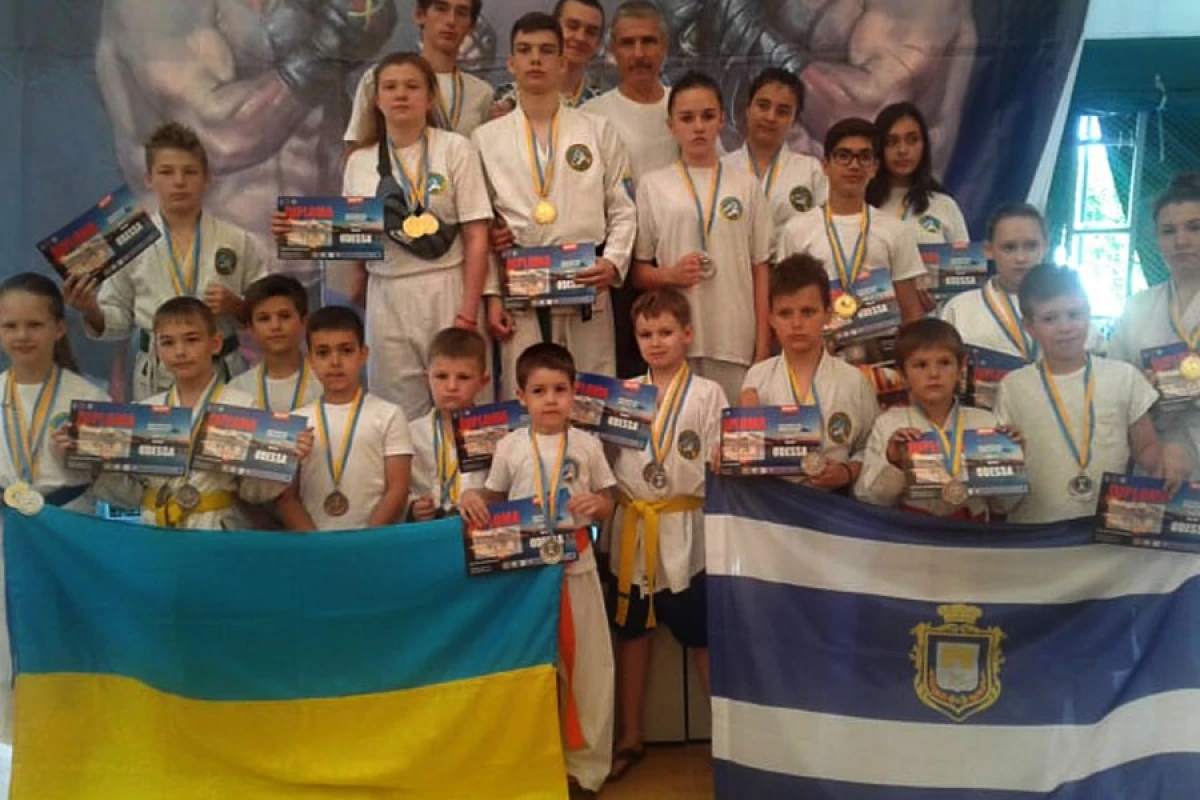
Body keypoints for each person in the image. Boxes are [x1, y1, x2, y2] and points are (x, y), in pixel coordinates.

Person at [97, 0, 395, 244]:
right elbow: (217, 139)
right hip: (213, 256)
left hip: (322, 239)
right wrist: (326, 52)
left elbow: (334, 122)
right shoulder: (151, 7)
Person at [459, 342, 616, 800]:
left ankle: (586, 770)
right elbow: (493, 498)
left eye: (560, 390)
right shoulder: (510, 446)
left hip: (577, 567)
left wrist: (599, 504)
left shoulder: (587, 445)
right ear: (521, 396)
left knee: (589, 669)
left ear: (574, 394)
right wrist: (471, 499)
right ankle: (533, 761)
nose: (551, 400)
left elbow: (610, 500)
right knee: (531, 670)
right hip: (524, 575)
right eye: (540, 391)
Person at [316, 52, 492, 422]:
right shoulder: (360, 161)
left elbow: (477, 234)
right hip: (388, 291)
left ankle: (467, 466)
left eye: (412, 86)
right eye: (390, 87)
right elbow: (353, 236)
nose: (401, 95)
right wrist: (303, 231)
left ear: (429, 97)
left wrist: (467, 312)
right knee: (397, 414)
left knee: (462, 405)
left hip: (446, 285)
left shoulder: (455, 149)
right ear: (376, 100)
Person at [473, 12, 636, 399]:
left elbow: (623, 207)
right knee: (525, 398)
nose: (535, 59)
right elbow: (482, 225)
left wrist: (613, 262)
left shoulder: (596, 130)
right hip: (521, 288)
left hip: (586, 283)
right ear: (511, 63)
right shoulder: (485, 139)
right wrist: (492, 296)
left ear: (562, 62)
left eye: (547, 51)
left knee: (590, 396)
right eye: (525, 50)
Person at [605, 290, 726, 783]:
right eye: (646, 334)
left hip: (687, 528)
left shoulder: (709, 393)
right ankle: (631, 735)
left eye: (666, 333)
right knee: (633, 635)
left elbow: (719, 459)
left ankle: (727, 738)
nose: (656, 343)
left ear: (687, 335)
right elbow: (606, 459)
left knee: (703, 637)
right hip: (634, 525)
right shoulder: (623, 393)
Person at [65, 122, 267, 400]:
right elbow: (118, 318)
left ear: (207, 178)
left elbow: (267, 312)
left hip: (222, 369)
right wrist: (90, 309)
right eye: (166, 172)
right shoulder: (130, 242)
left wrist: (237, 306)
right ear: (149, 179)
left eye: (190, 172)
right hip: (157, 372)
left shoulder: (238, 241)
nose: (179, 182)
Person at [0, 273, 110, 748]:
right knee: (5, 647)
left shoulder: (89, 399)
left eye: (34, 324)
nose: (22, 336)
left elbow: (122, 489)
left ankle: (72, 748)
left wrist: (90, 457)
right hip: (5, 536)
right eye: (10, 326)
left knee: (68, 642)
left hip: (72, 534)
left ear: (59, 328)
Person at [994, 265, 1189, 524]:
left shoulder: (1124, 377)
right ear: (1029, 326)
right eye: (1050, 319)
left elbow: (1146, 448)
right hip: (1034, 526)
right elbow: (1003, 457)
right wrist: (1008, 452)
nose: (1065, 327)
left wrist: (1169, 455)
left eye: (1074, 314)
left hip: (1106, 527)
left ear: (1088, 313)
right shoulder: (1013, 387)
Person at [90, 297, 304, 529]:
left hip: (214, 529)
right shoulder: (145, 412)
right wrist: (95, 462)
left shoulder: (242, 407)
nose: (180, 352)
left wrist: (283, 458)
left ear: (215, 343)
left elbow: (252, 492)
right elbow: (131, 495)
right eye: (168, 343)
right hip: (155, 529)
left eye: (191, 340)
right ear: (156, 350)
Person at [630, 72, 772, 403]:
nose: (698, 127)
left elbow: (761, 268)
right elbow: (637, 272)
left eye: (707, 116)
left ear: (722, 120)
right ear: (671, 126)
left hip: (735, 336)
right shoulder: (653, 185)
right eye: (687, 118)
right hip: (674, 338)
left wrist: (763, 347)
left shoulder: (746, 185)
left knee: (735, 428)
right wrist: (670, 275)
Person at [582, 0, 679, 379]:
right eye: (628, 43)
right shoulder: (593, 116)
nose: (639, 54)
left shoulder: (684, 107)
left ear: (664, 46)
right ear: (613, 50)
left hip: (674, 263)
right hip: (619, 267)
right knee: (627, 376)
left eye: (648, 41)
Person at [739, 254, 879, 491]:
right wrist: (742, 430)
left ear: (827, 314)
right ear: (771, 318)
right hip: (772, 503)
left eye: (807, 312)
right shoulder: (757, 377)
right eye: (785, 313)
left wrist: (847, 472)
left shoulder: (854, 381)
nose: (796, 324)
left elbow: (871, 447)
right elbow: (743, 456)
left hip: (834, 502)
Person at [855, 319, 1018, 519]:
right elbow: (869, 500)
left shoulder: (986, 423)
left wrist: (1013, 462)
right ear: (903, 375)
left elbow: (1004, 506)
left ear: (960, 370)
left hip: (973, 530)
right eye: (920, 365)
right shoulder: (888, 424)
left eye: (944, 363)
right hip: (911, 533)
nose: (934, 374)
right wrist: (895, 464)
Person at [775, 117, 928, 326]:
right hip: (820, 344)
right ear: (826, 165)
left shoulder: (896, 230)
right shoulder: (797, 230)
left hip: (882, 346)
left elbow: (911, 311)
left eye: (864, 157)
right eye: (844, 156)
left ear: (874, 167)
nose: (854, 165)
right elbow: (784, 304)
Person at [277, 306, 414, 532]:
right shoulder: (296, 421)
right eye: (323, 353)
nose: (335, 362)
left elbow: (398, 490)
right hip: (316, 542)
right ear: (310, 360)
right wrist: (316, 544)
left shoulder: (389, 415)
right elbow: (286, 498)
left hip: (373, 541)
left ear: (364, 354)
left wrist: (365, 541)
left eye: (346, 351)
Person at [1110, 174, 1200, 475]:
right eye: (1168, 231)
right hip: (1153, 452)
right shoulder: (1137, 307)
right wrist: (1138, 387)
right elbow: (1113, 382)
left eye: (1194, 227)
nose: (1181, 241)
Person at [345, 0, 492, 142]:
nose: (451, 21)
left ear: (471, 26)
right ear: (420, 15)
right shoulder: (380, 78)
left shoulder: (482, 93)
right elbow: (356, 148)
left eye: (461, 13)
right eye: (441, 9)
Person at [723, 67, 827, 252]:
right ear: (747, 109)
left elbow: (824, 235)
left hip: (793, 267)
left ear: (794, 120)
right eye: (763, 106)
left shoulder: (811, 170)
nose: (770, 117)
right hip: (734, 266)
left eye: (782, 111)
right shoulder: (722, 169)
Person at [940, 204, 1045, 361]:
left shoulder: (1069, 306)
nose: (1021, 258)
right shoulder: (959, 308)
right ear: (988, 250)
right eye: (1009, 248)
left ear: (1045, 247)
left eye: (1031, 246)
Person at [408, 327, 490, 521]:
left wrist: (485, 496)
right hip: (431, 529)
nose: (452, 386)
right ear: (427, 379)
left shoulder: (495, 432)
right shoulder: (411, 433)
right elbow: (401, 488)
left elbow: (504, 486)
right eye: (441, 376)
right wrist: (413, 507)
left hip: (481, 525)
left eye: (463, 377)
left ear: (483, 381)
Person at [867, 102, 969, 245]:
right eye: (892, 142)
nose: (902, 150)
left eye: (912, 140)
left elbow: (965, 258)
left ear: (924, 145)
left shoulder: (944, 205)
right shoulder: (862, 204)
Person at [491, 0, 607, 116]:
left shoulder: (602, 106)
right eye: (572, 26)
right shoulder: (505, 100)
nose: (580, 37)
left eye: (591, 32)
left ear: (599, 42)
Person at [228, 275, 321, 413]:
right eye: (264, 318)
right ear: (251, 329)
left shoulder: (325, 382)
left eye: (285, 316)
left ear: (304, 322)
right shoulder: (237, 390)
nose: (275, 326)